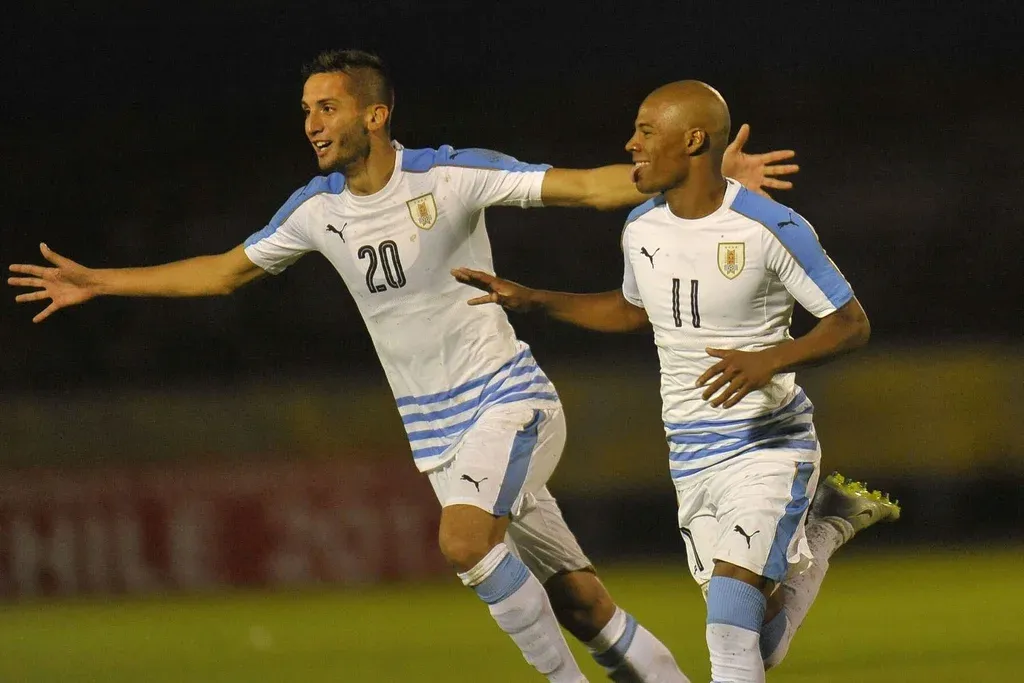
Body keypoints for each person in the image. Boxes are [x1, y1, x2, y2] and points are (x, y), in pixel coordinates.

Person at [8, 51, 799, 682]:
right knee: (583, 605)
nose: (312, 123)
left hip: (508, 401)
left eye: (327, 107)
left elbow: (588, 189)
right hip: (439, 437)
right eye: (306, 110)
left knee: (463, 541)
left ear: (375, 114)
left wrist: (706, 178)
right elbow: (222, 271)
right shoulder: (316, 210)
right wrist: (100, 281)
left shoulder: (448, 177)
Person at [450, 80, 900, 682]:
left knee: (728, 629)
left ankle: (814, 520)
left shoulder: (770, 226)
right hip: (690, 453)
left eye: (645, 131)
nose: (631, 144)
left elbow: (850, 323)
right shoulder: (642, 227)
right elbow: (633, 310)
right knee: (757, 641)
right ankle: (827, 526)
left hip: (767, 444)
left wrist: (770, 359)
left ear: (692, 140)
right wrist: (535, 299)